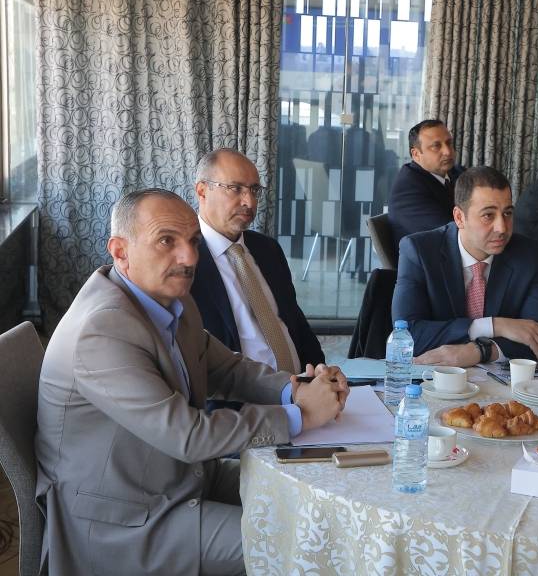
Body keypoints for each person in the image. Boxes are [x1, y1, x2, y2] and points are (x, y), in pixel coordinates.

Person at [34, 189, 348, 575]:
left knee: (319, 497)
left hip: (179, 477)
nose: (189, 258)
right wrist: (301, 415)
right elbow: (189, 436)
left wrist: (296, 388)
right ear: (120, 251)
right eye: (166, 241)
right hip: (126, 519)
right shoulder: (101, 331)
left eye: (193, 242)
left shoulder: (171, 299)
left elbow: (225, 369)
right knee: (310, 543)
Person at [392, 166, 538, 367]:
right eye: (488, 215)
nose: (502, 228)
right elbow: (407, 336)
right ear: (459, 218)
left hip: (497, 382)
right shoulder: (419, 251)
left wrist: (482, 351)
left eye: (507, 213)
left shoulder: (525, 254)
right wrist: (495, 325)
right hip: (432, 379)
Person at [191, 148, 325, 375]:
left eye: (254, 190)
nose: (249, 201)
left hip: (302, 385)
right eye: (235, 188)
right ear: (202, 191)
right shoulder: (186, 260)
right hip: (239, 394)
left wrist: (320, 371)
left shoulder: (267, 249)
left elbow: (295, 322)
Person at [388, 119, 464, 252]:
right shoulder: (407, 190)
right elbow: (451, 234)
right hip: (434, 260)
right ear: (416, 154)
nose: (447, 151)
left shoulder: (457, 172)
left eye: (449, 143)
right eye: (436, 146)